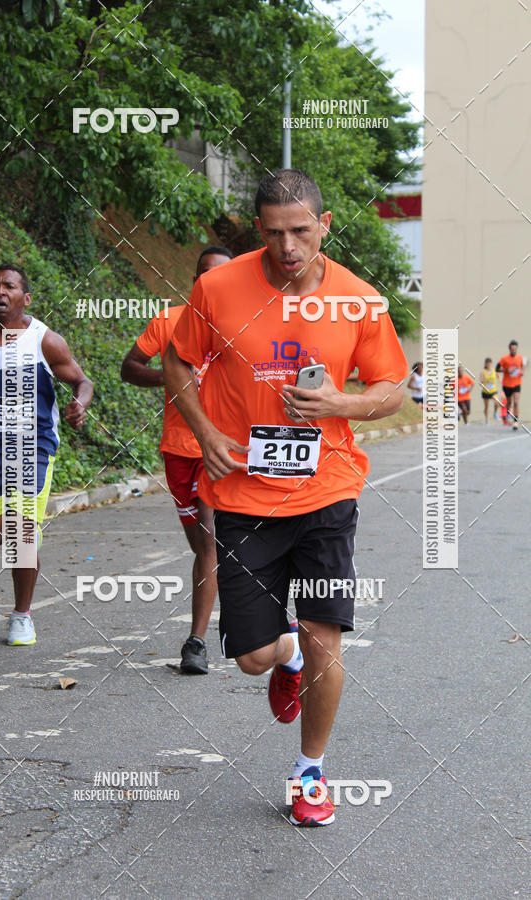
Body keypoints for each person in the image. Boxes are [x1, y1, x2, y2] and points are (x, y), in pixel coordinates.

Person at [163, 169, 408, 826]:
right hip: (245, 495)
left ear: (324, 224)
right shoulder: (218, 287)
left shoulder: (358, 300)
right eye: (274, 233)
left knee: (328, 636)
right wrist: (205, 431)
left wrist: (340, 404)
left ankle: (309, 772)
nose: (288, 246)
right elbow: (176, 360)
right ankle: (285, 652)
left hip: (328, 490)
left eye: (301, 230)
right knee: (250, 658)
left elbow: (392, 388)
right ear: (258, 230)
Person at [0, 264, 93, 646]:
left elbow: (82, 380)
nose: (0, 292)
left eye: (9, 286)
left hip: (33, 447)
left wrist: (80, 403)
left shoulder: (44, 340)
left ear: (25, 298)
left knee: (19, 537)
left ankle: (21, 616)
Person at [121, 246, 233, 674]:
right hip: (178, 450)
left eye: (223, 275)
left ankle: (196, 642)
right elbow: (130, 367)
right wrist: (170, 377)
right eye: (205, 274)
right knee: (204, 547)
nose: (213, 282)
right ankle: (232, 596)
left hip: (224, 449)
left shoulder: (249, 326)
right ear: (195, 280)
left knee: (208, 539)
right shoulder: (170, 321)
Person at [496, 340, 524, 430]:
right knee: (509, 402)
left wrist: (522, 372)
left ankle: (515, 421)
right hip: (507, 384)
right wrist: (507, 370)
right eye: (512, 349)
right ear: (509, 349)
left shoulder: (520, 357)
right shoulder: (504, 358)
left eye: (515, 349)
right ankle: (508, 413)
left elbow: (522, 367)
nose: (514, 351)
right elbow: (497, 369)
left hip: (517, 383)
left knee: (516, 401)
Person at [480, 357, 500, 424]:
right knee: (486, 407)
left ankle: (495, 413)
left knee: (497, 402)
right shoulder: (483, 372)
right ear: (485, 364)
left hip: (493, 391)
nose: (488, 364)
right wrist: (484, 379)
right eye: (487, 363)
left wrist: (499, 380)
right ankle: (486, 420)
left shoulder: (494, 371)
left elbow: (498, 376)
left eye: (489, 363)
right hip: (485, 391)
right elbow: (480, 381)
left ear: (491, 363)